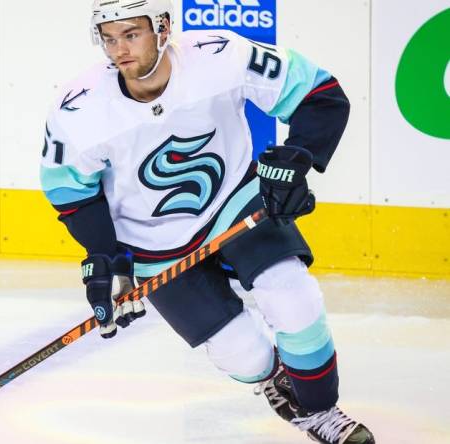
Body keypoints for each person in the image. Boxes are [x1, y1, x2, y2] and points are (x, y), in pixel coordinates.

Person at [39, 1, 375, 443]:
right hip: (152, 245)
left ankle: (319, 412)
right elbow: (72, 196)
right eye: (109, 37)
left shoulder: (219, 55)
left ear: (162, 28)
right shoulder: (77, 111)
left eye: (131, 34)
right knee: (244, 356)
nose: (119, 49)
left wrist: (297, 159)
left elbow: (320, 94)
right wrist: (105, 257)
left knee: (294, 298)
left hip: (236, 205)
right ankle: (275, 377)